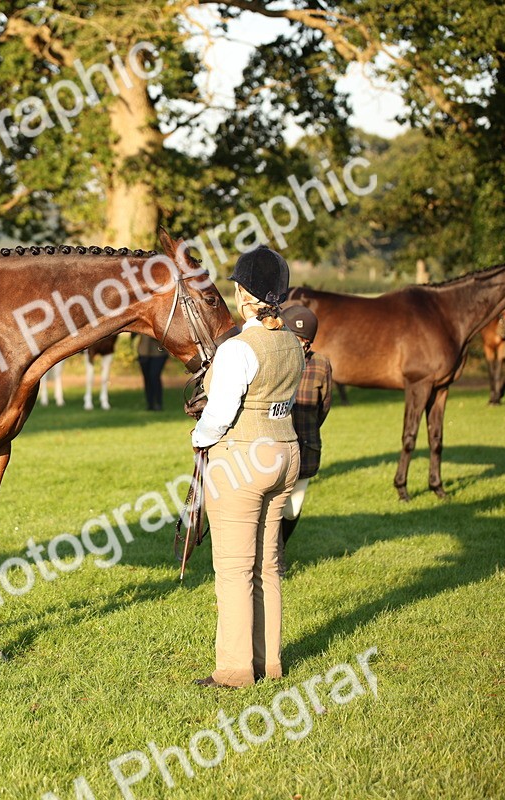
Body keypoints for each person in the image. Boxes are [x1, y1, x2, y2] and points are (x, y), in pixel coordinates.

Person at [190, 246, 304, 690]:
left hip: (242, 458)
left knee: (235, 569)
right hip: (285, 451)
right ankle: (268, 660)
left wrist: (199, 438)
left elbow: (219, 413)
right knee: (268, 565)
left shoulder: (238, 349)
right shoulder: (293, 341)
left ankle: (235, 670)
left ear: (243, 294)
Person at [276, 305, 332, 577]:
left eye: (299, 338)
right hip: (273, 446)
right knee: (271, 504)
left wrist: (307, 431)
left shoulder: (321, 364)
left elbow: (324, 406)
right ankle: (273, 557)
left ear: (307, 341)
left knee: (292, 509)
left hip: (306, 445)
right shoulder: (273, 359)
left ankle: (280, 546)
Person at [136, 334, 168, 411]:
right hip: (143, 352)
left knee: (154, 376)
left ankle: (158, 403)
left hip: (158, 353)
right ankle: (150, 404)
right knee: (147, 379)